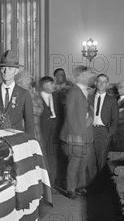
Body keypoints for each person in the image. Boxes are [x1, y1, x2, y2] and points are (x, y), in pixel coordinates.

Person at [59, 66, 94, 199]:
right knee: (74, 163)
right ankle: (71, 189)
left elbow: (87, 111)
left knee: (83, 162)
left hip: (85, 134)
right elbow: (71, 115)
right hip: (76, 136)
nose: (90, 76)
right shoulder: (74, 92)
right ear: (80, 76)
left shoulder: (84, 91)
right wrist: (77, 135)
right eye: (87, 74)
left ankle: (80, 186)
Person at [0, 50, 35, 136]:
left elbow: (29, 125)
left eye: (10, 68)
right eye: (3, 68)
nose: (6, 72)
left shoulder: (24, 94)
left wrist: (30, 144)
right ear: (0, 70)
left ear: (16, 71)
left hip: (17, 141)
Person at [89, 74, 119, 175]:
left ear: (107, 84)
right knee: (89, 158)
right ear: (96, 83)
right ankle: (90, 184)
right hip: (89, 130)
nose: (101, 84)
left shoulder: (112, 100)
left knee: (101, 159)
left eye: (104, 82)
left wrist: (109, 133)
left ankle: (100, 185)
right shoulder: (88, 98)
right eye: (99, 81)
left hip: (103, 131)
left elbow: (115, 119)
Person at [39, 76, 62, 190]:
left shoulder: (56, 96)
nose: (54, 86)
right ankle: (45, 187)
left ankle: (52, 184)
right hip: (43, 133)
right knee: (44, 159)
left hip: (55, 132)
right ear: (44, 85)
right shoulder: (36, 98)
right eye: (51, 84)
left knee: (54, 159)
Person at [16, 70, 43, 144]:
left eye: (29, 79)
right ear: (19, 82)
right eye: (26, 79)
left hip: (34, 127)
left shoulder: (34, 93)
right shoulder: (14, 93)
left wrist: (26, 106)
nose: (29, 81)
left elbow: (40, 110)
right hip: (18, 128)